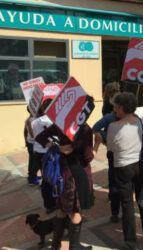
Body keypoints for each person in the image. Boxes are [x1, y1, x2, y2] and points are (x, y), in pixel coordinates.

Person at [36, 97, 95, 250]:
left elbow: (40, 137)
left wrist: (56, 147)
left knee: (62, 208)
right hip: (77, 174)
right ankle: (74, 246)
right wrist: (97, 144)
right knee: (76, 210)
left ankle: (55, 245)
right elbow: (88, 157)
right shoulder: (85, 129)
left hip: (61, 172)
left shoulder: (61, 124)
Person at [107, 92, 143, 249]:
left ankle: (131, 241)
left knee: (127, 204)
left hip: (122, 167)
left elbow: (111, 148)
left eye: (116, 107)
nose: (114, 110)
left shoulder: (113, 126)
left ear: (121, 107)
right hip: (140, 165)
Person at [93, 88, 121, 223]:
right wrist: (105, 138)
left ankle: (115, 212)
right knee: (122, 182)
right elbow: (95, 128)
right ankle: (120, 208)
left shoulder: (109, 117)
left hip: (114, 152)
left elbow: (95, 128)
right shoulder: (135, 118)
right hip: (126, 155)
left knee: (114, 179)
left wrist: (105, 138)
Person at [31, 99, 56, 214]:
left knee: (45, 179)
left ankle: (48, 205)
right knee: (51, 178)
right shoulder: (52, 121)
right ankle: (53, 202)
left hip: (38, 152)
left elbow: (34, 136)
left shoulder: (34, 122)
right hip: (49, 152)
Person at [24, 107, 36, 184]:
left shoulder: (27, 120)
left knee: (32, 160)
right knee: (35, 162)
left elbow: (24, 132)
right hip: (33, 144)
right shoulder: (33, 121)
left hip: (29, 143)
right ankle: (31, 178)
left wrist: (25, 141)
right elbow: (32, 135)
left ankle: (31, 176)